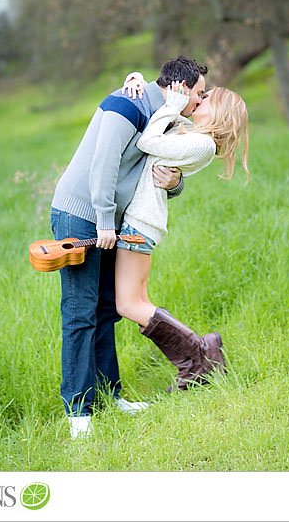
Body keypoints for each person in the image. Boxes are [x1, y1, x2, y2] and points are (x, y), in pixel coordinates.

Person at [50, 55, 207, 439]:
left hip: (111, 221)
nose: (201, 103)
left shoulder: (168, 119)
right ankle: (78, 412)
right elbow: (102, 166)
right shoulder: (128, 103)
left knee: (106, 311)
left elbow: (165, 170)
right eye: (199, 95)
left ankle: (109, 396)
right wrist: (104, 220)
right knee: (80, 313)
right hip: (82, 214)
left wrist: (175, 184)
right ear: (180, 88)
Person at [114, 80, 249, 391]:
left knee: (129, 304)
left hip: (139, 223)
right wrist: (141, 81)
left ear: (222, 112)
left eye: (207, 98)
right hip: (143, 222)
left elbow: (148, 142)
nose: (199, 99)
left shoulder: (202, 144)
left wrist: (172, 107)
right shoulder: (196, 136)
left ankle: (201, 357)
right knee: (140, 300)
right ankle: (199, 360)